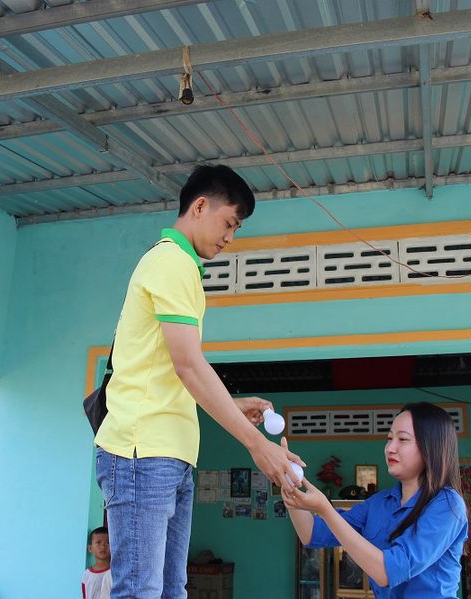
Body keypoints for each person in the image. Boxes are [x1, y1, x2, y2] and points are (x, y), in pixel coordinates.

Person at [94, 164, 304, 598]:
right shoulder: (172, 262)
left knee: (172, 591)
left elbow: (172, 372)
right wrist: (257, 444)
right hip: (142, 452)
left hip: (169, 454)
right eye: (229, 222)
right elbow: (189, 366)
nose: (231, 237)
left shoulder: (179, 264)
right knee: (141, 592)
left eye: (237, 228)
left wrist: (232, 402)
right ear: (200, 206)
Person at [282, 402, 468, 599]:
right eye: (389, 438)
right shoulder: (379, 502)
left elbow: (387, 572)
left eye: (403, 439)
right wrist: (286, 478)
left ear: (432, 446)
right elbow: (310, 533)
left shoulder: (447, 504)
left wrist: (325, 509)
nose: (390, 448)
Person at [82, 526, 112, 599]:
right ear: (90, 548)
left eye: (108, 542)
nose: (103, 546)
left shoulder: (115, 573)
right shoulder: (86, 575)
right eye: (98, 542)